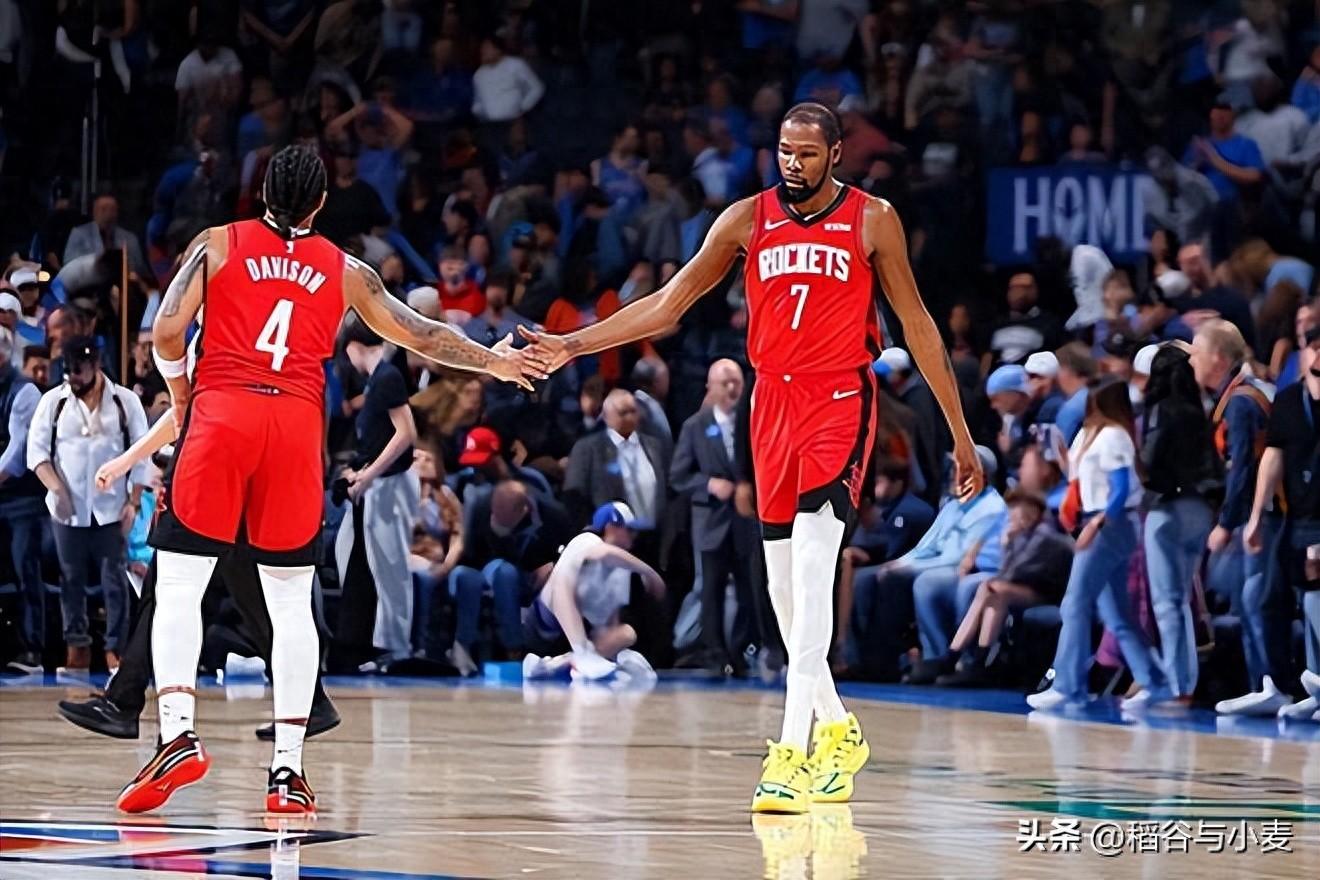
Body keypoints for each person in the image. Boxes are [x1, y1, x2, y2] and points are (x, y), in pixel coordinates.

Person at [519, 102, 984, 813]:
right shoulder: (747, 218)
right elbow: (670, 303)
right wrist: (573, 344)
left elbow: (916, 323)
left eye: (807, 153)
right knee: (783, 596)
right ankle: (839, 728)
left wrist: (958, 430)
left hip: (837, 399)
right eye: (784, 151)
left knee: (813, 572)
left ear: (835, 153)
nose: (793, 163)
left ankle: (791, 754)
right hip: (771, 404)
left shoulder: (873, 219)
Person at [119, 144, 541, 816]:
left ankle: (177, 735)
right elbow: (421, 333)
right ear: (320, 203)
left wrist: (178, 392)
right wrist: (492, 362)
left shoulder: (217, 244)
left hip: (224, 411)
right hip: (295, 428)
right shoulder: (347, 270)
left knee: (178, 583)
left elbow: (168, 331)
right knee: (291, 602)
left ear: (262, 192)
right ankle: (288, 770)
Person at [1028, 380, 1169, 711]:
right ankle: (1155, 681)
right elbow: (1083, 479)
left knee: (1074, 603)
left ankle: (1068, 685)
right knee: (1116, 612)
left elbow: (1120, 490)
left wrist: (1096, 524)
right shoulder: (1091, 434)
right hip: (1101, 521)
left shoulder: (1115, 436)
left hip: (1110, 525)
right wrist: (1061, 455)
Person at [28, 337, 149, 674]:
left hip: (111, 507)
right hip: (67, 510)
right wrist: (57, 489)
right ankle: (77, 647)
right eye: (68, 372)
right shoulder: (54, 402)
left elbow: (141, 455)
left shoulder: (124, 402)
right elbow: (37, 453)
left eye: (79, 372)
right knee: (71, 579)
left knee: (115, 579)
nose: (73, 378)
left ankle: (116, 649)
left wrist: (134, 501)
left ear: (95, 366)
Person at [1191, 319, 1289, 715]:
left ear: (1217, 357)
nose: (1192, 360)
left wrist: (1226, 523)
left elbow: (1243, 468)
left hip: (1264, 515)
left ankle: (1269, 683)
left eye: (1197, 352)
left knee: (1256, 599)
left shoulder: (1242, 401)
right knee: (1252, 598)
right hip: (1265, 513)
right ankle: (1263, 683)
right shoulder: (1248, 392)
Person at [334, 319, 421, 671]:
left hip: (389, 484)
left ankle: (394, 648)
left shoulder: (387, 377)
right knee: (353, 555)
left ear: (354, 347)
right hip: (376, 481)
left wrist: (369, 475)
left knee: (389, 569)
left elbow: (406, 433)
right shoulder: (378, 380)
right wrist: (360, 472)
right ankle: (364, 640)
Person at [1244, 326, 1320, 721]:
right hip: (1297, 516)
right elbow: (1272, 457)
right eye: (1312, 348)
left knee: (1315, 600)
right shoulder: (1290, 400)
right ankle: (1285, 684)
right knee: (1276, 597)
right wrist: (1256, 515)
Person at [1140, 346, 1221, 702]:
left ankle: (1176, 686)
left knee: (1166, 603)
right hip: (1199, 510)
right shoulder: (1197, 410)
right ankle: (1184, 681)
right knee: (1182, 600)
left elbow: (1151, 459)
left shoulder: (1161, 410)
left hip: (1167, 510)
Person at [670, 359, 758, 675]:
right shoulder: (695, 426)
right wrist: (708, 484)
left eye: (736, 382)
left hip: (745, 521)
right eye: (725, 383)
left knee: (749, 590)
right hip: (711, 522)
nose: (732, 388)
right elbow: (678, 475)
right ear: (710, 387)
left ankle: (741, 651)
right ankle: (714, 654)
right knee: (711, 591)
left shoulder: (753, 422)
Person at [934, 488, 1072, 687]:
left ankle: (959, 658)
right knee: (991, 591)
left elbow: (1012, 574)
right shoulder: (1026, 534)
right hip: (1024, 589)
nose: (1012, 517)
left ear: (1033, 512)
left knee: (995, 589)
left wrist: (1007, 544)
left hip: (1048, 594)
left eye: (1017, 512)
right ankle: (969, 661)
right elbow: (1008, 575)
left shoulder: (1044, 536)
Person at [522, 502, 666, 682]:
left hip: (575, 637)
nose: (634, 536)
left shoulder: (621, 571)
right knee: (564, 579)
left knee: (627, 633)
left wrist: (613, 647)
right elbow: (603, 553)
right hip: (544, 628)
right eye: (629, 530)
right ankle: (580, 655)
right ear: (610, 527)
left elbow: (610, 621)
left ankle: (561, 663)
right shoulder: (586, 540)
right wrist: (649, 573)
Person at [0, 326, 46, 673]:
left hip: (21, 500)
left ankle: (33, 650)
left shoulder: (24, 391)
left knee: (24, 569)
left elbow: (16, 454)